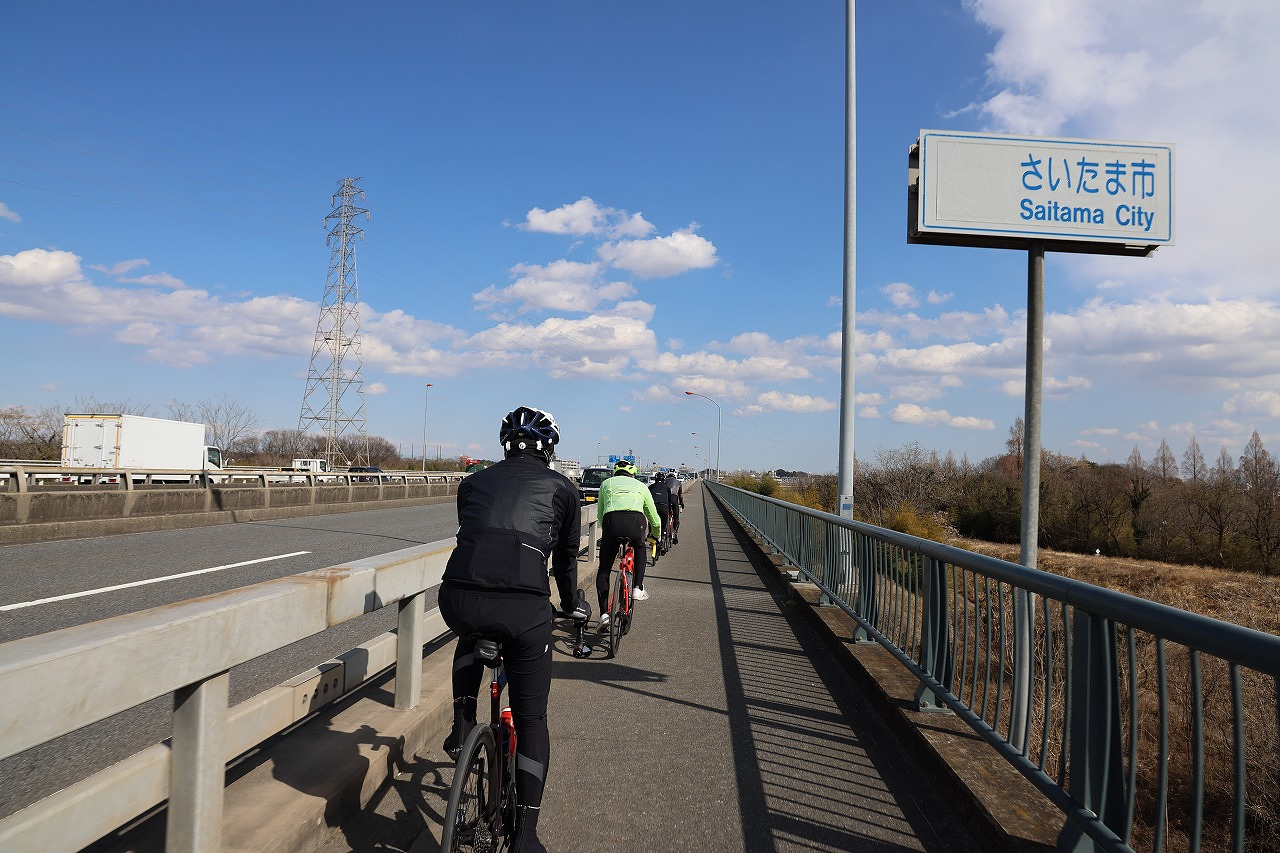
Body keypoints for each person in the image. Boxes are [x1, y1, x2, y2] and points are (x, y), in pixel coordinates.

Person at [438, 405, 588, 853]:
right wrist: (571, 604)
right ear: (549, 448)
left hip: (458, 595)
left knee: (473, 623)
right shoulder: (563, 488)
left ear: (506, 445)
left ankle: (463, 717)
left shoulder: (472, 483)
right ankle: (526, 835)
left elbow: (475, 533)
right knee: (531, 718)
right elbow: (563, 562)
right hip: (523, 609)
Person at [596, 459, 661, 616]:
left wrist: (607, 531)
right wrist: (656, 535)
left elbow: (600, 514)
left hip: (612, 523)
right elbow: (654, 517)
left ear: (615, 472)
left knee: (604, 570)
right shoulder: (641, 486)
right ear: (633, 474)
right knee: (639, 547)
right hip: (635, 523)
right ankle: (637, 587)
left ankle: (604, 614)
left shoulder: (606, 484)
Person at [647, 473, 672, 561]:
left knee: (651, 521)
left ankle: (651, 534)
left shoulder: (651, 487)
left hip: (654, 507)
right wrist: (670, 511)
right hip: (664, 508)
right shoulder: (667, 488)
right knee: (663, 526)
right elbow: (669, 501)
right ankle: (662, 541)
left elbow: (647, 500)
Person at [665, 471, 685, 545]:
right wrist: (682, 503)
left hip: (667, 499)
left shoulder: (665, 481)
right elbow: (680, 495)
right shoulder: (678, 483)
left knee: (664, 515)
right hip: (674, 499)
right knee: (676, 517)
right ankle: (675, 534)